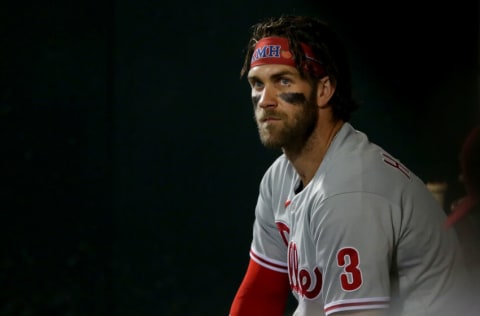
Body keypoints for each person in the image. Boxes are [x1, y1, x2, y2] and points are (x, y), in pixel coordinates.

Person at [229, 15, 471, 316]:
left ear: (324, 89)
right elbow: (260, 295)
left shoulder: (350, 193)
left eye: (283, 80)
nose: (265, 99)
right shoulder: (279, 178)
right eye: (257, 83)